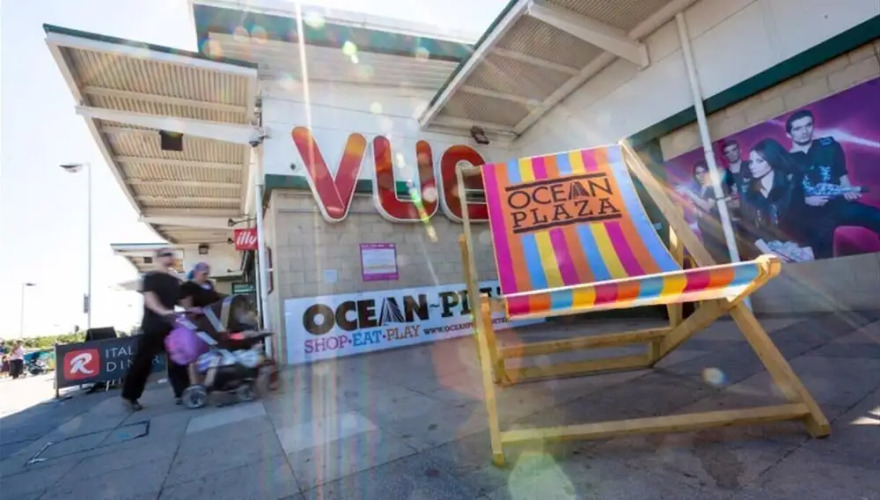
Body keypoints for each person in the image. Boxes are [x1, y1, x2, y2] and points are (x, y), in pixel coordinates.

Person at [786, 109, 880, 258]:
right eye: (797, 128)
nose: (804, 131)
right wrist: (806, 200)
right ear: (789, 134)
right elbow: (784, 196)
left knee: (876, 216)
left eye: (808, 125)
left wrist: (847, 190)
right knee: (823, 256)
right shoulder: (784, 160)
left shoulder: (829, 145)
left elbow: (841, 173)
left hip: (839, 204)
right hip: (811, 214)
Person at [121, 248, 188, 410]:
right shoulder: (150, 278)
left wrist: (192, 309)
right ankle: (130, 397)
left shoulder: (174, 281)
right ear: (157, 258)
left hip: (170, 327)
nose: (170, 257)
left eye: (171, 254)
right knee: (143, 362)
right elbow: (150, 300)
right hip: (152, 326)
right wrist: (163, 311)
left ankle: (183, 393)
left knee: (177, 359)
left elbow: (182, 301)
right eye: (166, 254)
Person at [740, 138, 808, 257]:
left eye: (759, 161)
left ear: (772, 160)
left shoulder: (791, 188)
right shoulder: (748, 193)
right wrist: (769, 253)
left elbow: (802, 227)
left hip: (796, 250)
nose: (752, 166)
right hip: (765, 254)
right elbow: (749, 230)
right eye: (751, 162)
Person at [677, 161, 731, 263]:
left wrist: (688, 192)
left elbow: (707, 206)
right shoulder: (702, 189)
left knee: (723, 258)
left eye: (704, 172)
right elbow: (700, 212)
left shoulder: (713, 187)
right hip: (706, 230)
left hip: (717, 230)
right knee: (715, 258)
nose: (701, 175)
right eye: (698, 173)